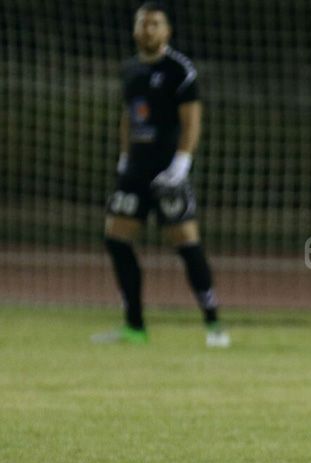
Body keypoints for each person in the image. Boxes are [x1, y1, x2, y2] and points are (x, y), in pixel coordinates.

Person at [94, 2, 229, 348]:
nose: (148, 30)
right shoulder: (130, 70)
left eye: (155, 24)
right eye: (143, 23)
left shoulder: (179, 70)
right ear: (135, 30)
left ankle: (214, 324)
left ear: (167, 31)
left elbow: (192, 121)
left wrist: (181, 164)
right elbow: (129, 116)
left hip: (168, 171)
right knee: (116, 238)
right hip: (136, 170)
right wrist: (124, 158)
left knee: (186, 243)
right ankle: (134, 327)